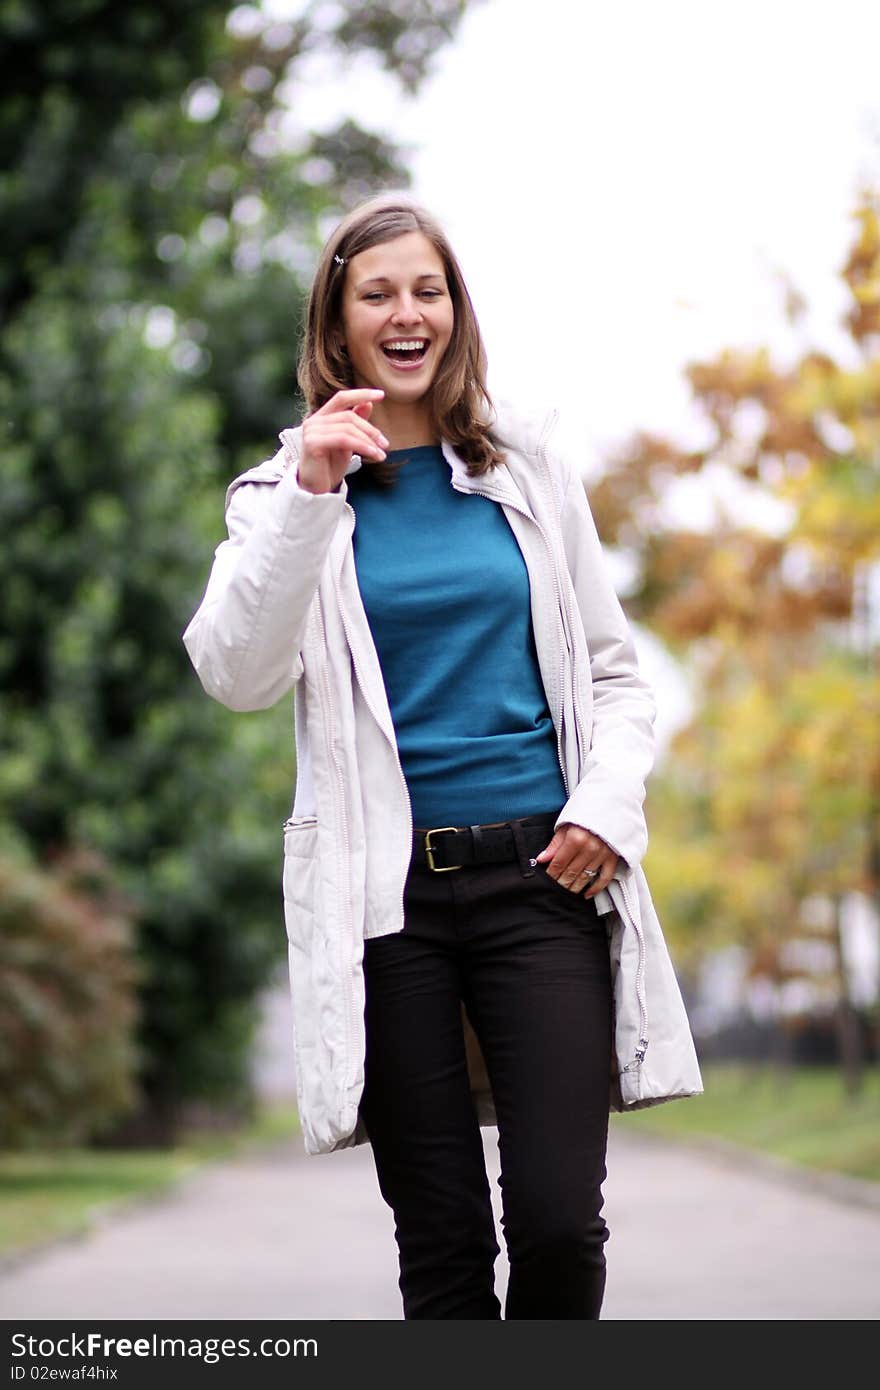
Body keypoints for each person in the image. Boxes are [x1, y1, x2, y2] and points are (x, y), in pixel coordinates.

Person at [183, 192, 703, 1320]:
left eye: (428, 290)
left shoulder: (527, 466)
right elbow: (235, 671)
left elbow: (615, 676)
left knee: (560, 1225)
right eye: (379, 294)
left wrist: (607, 810)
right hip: (389, 909)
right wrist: (312, 492)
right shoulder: (282, 495)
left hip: (544, 879)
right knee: (444, 1243)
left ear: (456, 312)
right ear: (339, 321)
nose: (407, 313)